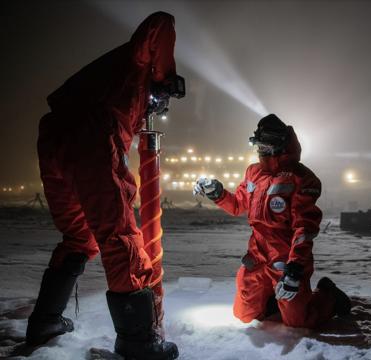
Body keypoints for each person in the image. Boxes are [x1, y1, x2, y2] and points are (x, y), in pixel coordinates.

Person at [27, 12, 179, 360]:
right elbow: (162, 22)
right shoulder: (138, 65)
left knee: (80, 236)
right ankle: (138, 343)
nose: (158, 105)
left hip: (54, 137)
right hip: (92, 136)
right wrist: (164, 76)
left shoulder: (108, 83)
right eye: (161, 98)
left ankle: (45, 321)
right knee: (119, 234)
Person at [193, 114, 351, 329]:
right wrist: (217, 192)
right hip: (256, 256)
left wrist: (294, 269)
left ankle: (329, 296)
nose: (260, 150)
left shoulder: (301, 178)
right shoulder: (253, 172)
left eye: (264, 146)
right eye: (258, 145)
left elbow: (304, 228)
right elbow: (238, 205)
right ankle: (272, 301)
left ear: (280, 145)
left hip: (285, 259)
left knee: (299, 321)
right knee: (244, 315)